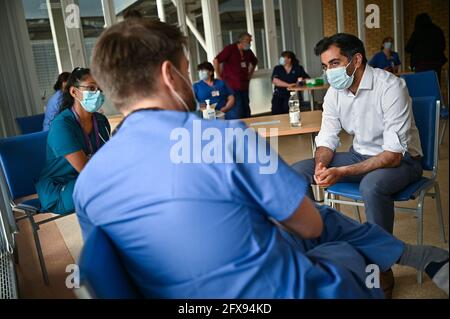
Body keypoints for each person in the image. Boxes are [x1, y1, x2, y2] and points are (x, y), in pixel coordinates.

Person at [74, 19, 448, 299]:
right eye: (188, 72)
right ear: (170, 75)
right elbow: (309, 227)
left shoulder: (89, 182)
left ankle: (412, 254)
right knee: (339, 249)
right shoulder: (226, 139)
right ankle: (401, 261)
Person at [291, 33, 425, 295]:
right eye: (325, 66)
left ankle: (380, 265)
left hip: (404, 160)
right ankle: (315, 247)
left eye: (334, 63)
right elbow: (327, 138)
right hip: (360, 155)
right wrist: (321, 164)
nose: (329, 72)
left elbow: (392, 155)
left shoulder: (390, 86)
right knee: (297, 172)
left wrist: (341, 172)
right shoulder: (335, 93)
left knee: (372, 185)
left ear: (356, 60)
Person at [35, 68, 110, 215]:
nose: (97, 93)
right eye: (91, 88)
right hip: (59, 187)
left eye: (100, 89)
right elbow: (88, 171)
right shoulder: (61, 126)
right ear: (74, 92)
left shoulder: (101, 121)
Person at [213, 32, 258, 119]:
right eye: (248, 41)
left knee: (246, 110)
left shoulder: (248, 51)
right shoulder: (230, 49)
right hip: (231, 85)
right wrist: (218, 77)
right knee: (237, 110)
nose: (250, 44)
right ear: (242, 41)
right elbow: (216, 61)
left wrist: (250, 74)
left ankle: (248, 129)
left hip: (244, 85)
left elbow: (255, 61)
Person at [405, 13, 447, 84]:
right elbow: (443, 46)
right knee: (435, 84)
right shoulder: (437, 30)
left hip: (421, 64)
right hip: (436, 63)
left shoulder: (418, 31)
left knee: (422, 85)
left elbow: (408, 48)